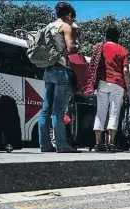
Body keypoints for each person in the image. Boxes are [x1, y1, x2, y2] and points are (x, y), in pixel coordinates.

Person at [38, 1, 80, 153]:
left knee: (45, 109)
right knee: (59, 110)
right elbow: (70, 49)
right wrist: (77, 45)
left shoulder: (47, 27)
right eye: (72, 18)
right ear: (69, 15)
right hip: (62, 69)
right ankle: (62, 145)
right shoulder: (66, 27)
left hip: (48, 70)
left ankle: (44, 144)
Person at [92, 25, 130, 152]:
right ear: (118, 37)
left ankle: (98, 142)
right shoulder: (123, 50)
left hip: (102, 82)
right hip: (118, 84)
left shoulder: (100, 47)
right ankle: (111, 142)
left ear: (106, 36)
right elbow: (125, 71)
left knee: (100, 111)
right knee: (114, 112)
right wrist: (128, 88)